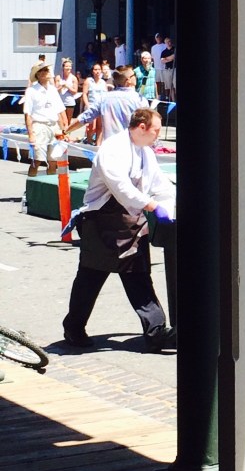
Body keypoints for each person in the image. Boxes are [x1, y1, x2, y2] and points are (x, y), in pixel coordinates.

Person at [61, 108, 176, 353]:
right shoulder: (112, 149)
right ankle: (74, 327)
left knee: (138, 276)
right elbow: (121, 187)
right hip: (102, 221)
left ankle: (156, 333)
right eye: (156, 130)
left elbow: (160, 184)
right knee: (90, 277)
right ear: (142, 127)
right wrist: (152, 205)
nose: (158, 135)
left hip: (131, 222)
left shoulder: (146, 152)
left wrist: (169, 204)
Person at [64, 66, 142, 140]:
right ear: (128, 80)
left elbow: (84, 118)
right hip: (133, 143)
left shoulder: (104, 98)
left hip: (110, 143)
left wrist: (65, 131)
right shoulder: (139, 99)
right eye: (134, 75)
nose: (136, 77)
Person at [23, 62, 68, 176]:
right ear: (37, 75)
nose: (45, 73)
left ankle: (50, 184)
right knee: (37, 160)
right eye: (42, 71)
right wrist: (31, 134)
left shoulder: (53, 90)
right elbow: (27, 114)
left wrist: (65, 130)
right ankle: (31, 184)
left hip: (54, 126)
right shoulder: (31, 91)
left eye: (46, 70)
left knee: (53, 161)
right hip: (39, 126)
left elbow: (60, 110)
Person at [82, 62, 109, 144]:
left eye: (99, 69)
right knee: (92, 127)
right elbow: (84, 94)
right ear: (92, 71)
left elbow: (106, 95)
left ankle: (98, 144)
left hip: (101, 106)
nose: (97, 71)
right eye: (95, 69)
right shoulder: (88, 81)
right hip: (91, 105)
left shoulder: (103, 82)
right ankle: (89, 141)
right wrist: (87, 105)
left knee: (100, 126)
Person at [55, 57, 79, 121]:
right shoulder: (58, 77)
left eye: (70, 66)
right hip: (60, 102)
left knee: (68, 121)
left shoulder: (73, 78)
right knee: (60, 121)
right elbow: (55, 91)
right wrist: (61, 86)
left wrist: (67, 86)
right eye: (67, 66)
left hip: (69, 102)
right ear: (63, 67)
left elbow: (75, 92)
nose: (68, 68)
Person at [160, 37, 176, 102]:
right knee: (170, 86)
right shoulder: (164, 52)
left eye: (169, 41)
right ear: (165, 43)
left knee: (175, 85)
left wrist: (166, 58)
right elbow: (162, 61)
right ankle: (173, 101)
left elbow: (174, 56)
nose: (169, 43)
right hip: (167, 70)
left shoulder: (174, 49)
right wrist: (170, 58)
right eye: (167, 42)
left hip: (174, 69)